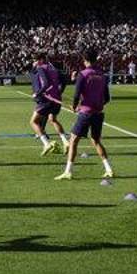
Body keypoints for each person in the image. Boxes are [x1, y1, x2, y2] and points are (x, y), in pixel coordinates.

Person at [55, 49, 113, 180]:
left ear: (85, 60)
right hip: (98, 113)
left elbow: (76, 94)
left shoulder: (83, 74)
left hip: (86, 113)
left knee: (73, 141)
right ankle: (109, 169)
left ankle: (68, 172)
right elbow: (107, 98)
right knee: (96, 141)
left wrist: (75, 106)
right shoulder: (102, 75)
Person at [30, 51, 69, 156]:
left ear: (41, 59)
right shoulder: (53, 68)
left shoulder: (41, 68)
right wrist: (59, 92)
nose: (35, 62)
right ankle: (66, 142)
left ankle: (46, 143)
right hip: (56, 99)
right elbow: (64, 80)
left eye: (36, 60)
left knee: (34, 122)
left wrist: (38, 93)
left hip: (46, 99)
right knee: (53, 120)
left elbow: (46, 83)